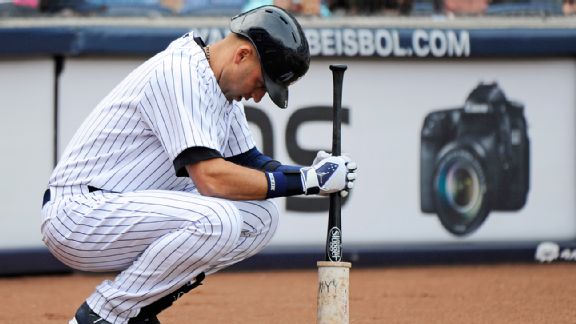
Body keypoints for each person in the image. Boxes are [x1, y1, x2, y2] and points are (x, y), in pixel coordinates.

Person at [40, 5, 357, 324]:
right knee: (219, 220)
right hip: (79, 214)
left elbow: (252, 164)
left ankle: (139, 310)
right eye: (263, 83)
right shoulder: (180, 73)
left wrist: (312, 175)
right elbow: (211, 180)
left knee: (260, 218)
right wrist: (305, 181)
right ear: (243, 54)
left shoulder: (221, 92)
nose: (259, 96)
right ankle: (105, 314)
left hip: (123, 210)